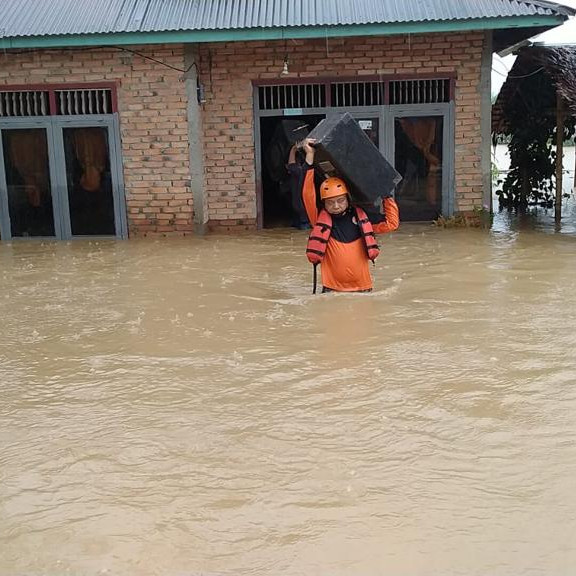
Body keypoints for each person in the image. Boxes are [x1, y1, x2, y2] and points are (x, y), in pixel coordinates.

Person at [301, 138, 400, 293]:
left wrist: (385, 193)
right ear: (324, 204)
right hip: (332, 289)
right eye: (330, 202)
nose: (335, 206)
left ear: (347, 199)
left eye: (340, 201)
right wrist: (309, 157)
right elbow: (308, 193)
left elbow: (391, 223)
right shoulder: (320, 220)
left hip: (363, 289)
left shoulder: (362, 218)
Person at [286, 143, 310, 229]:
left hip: (298, 211)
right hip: (304, 214)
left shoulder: (295, 175)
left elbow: (291, 166)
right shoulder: (300, 173)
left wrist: (293, 149)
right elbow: (293, 166)